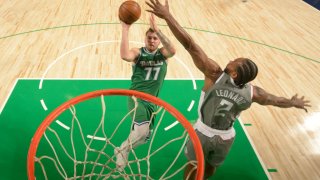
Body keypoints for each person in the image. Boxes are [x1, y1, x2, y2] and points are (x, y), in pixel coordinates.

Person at [146, 0, 311, 179]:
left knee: (193, 165)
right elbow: (275, 100)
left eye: (234, 61)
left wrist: (168, 17)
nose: (232, 59)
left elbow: (190, 44)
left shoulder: (215, 74)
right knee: (210, 167)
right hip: (225, 137)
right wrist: (293, 103)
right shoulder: (253, 93)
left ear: (232, 74)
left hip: (203, 132)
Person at [114, 14, 176, 171]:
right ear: (145, 39)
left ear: (159, 40)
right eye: (149, 37)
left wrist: (158, 30)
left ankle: (124, 148)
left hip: (152, 102)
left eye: (155, 38)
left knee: (144, 137)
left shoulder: (163, 54)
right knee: (141, 131)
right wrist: (125, 29)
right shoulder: (138, 53)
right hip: (137, 97)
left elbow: (173, 50)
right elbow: (124, 55)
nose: (152, 40)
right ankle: (122, 149)